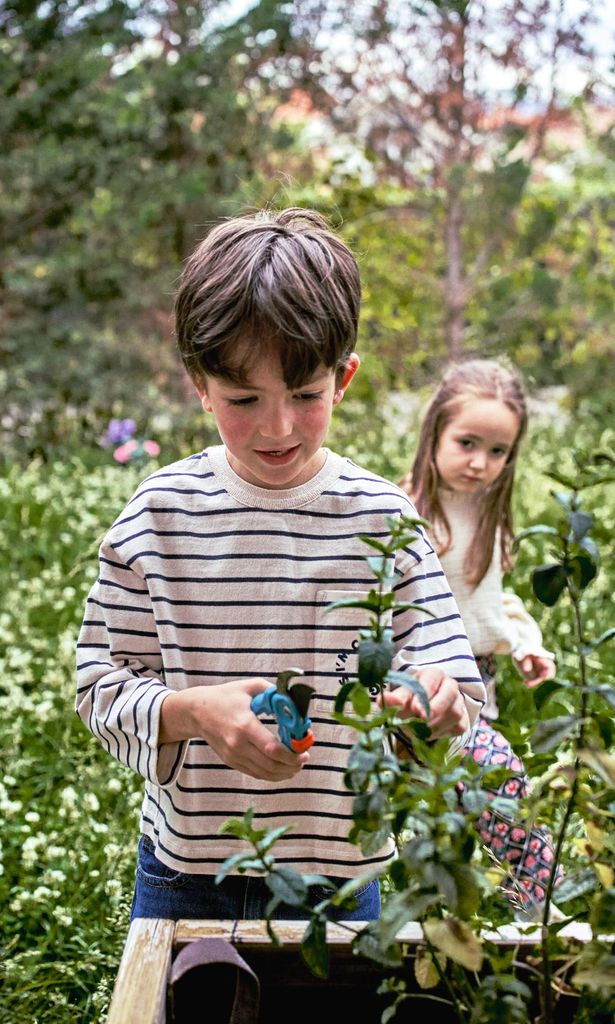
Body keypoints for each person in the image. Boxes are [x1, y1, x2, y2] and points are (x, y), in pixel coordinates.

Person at [75, 207, 485, 924]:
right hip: (188, 877)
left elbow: (453, 682)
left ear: (343, 378)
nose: (276, 427)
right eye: (242, 399)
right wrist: (192, 712)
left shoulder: (382, 519)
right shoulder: (158, 513)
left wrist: (433, 702)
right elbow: (99, 688)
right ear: (198, 385)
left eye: (304, 395)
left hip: (344, 879)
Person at [399, 358, 564, 918]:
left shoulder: (488, 515)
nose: (480, 463)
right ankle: (544, 912)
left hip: (478, 695)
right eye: (467, 442)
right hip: (417, 702)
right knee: (502, 790)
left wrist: (524, 644)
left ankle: (530, 926)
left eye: (499, 452)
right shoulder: (404, 516)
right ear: (434, 434)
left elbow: (492, 602)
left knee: (480, 812)